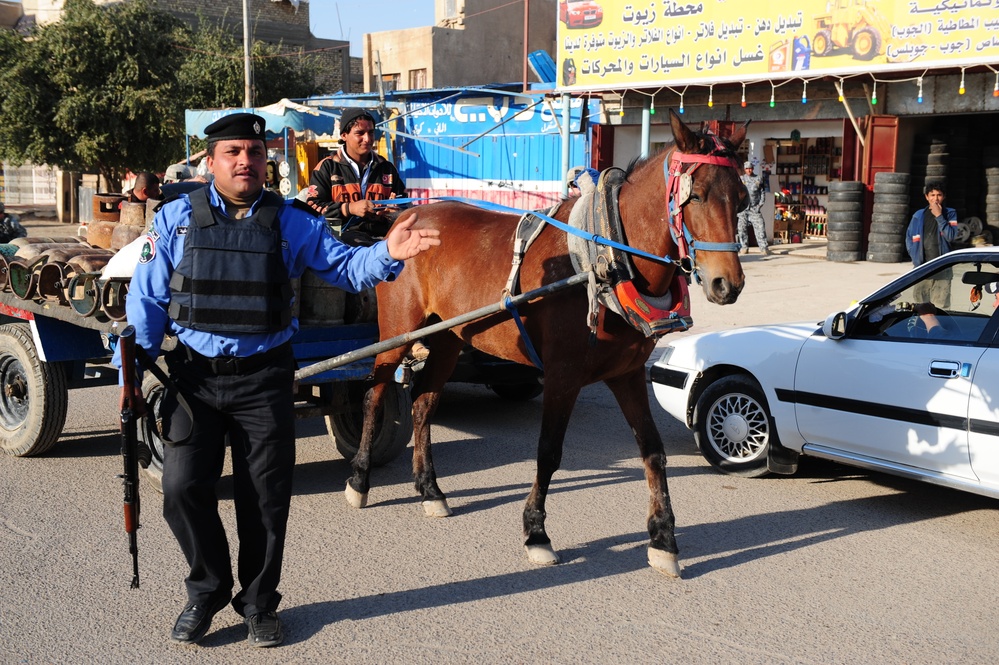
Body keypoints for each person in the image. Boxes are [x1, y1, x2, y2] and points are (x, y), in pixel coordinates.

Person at [119, 113, 440, 648]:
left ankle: (259, 602)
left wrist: (388, 253)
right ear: (212, 160)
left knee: (265, 499)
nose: (246, 160)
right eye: (233, 152)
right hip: (194, 379)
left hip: (265, 378)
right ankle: (208, 589)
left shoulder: (291, 220)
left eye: (255, 151)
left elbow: (345, 268)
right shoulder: (175, 219)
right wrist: (130, 374)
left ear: (266, 160)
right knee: (179, 490)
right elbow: (147, 300)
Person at [306, 107, 407, 240]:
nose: (367, 139)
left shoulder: (387, 168)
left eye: (371, 133)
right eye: (360, 133)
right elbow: (313, 206)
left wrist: (394, 212)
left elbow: (404, 205)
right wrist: (348, 208)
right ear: (344, 135)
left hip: (382, 242)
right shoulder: (327, 167)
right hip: (340, 244)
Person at [905, 180, 958, 307]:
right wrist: (915, 258)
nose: (936, 199)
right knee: (920, 307)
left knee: (941, 308)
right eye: (932, 195)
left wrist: (939, 216)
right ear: (926, 197)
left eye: (939, 195)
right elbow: (909, 238)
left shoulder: (950, 213)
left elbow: (951, 236)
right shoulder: (918, 216)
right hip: (922, 269)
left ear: (944, 197)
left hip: (943, 269)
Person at [737, 161, 772, 256]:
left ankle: (764, 248)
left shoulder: (758, 179)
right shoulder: (741, 179)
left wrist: (759, 205)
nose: (749, 170)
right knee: (741, 229)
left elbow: (762, 193)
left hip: (754, 208)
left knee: (760, 227)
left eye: (750, 168)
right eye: (747, 168)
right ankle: (744, 247)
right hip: (743, 209)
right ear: (744, 169)